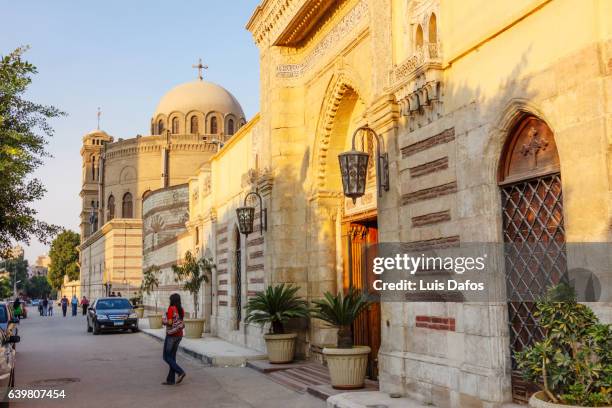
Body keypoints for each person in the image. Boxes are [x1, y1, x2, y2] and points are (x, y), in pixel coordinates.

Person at [161, 293, 186, 385]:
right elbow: (180, 321)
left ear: (172, 300)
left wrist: (164, 321)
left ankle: (180, 372)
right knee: (172, 357)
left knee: (166, 357)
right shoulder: (181, 310)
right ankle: (170, 380)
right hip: (179, 335)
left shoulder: (171, 309)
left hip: (171, 335)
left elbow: (170, 322)